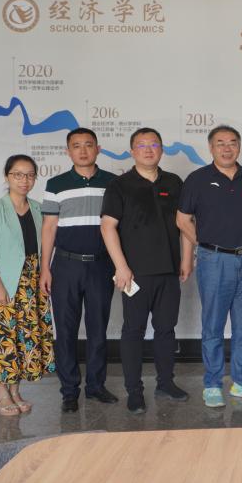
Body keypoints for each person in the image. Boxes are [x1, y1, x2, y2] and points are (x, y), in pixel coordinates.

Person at [100, 128, 193, 414]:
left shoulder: (174, 182)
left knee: (166, 330)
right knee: (133, 331)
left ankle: (166, 383)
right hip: (135, 274)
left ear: (162, 149)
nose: (149, 149)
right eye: (142, 145)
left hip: (169, 271)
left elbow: (185, 223)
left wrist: (187, 259)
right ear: (132, 151)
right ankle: (134, 391)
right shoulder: (119, 185)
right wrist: (121, 267)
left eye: (154, 144)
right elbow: (107, 227)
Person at [177, 125, 242, 408]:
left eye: (232, 143)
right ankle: (213, 384)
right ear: (211, 148)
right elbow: (182, 220)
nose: (227, 148)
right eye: (220, 143)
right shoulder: (198, 179)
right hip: (214, 261)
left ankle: (241, 381)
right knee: (213, 325)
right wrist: (204, 243)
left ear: (239, 146)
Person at [40, 128, 118, 413]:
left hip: (101, 264)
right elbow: (49, 227)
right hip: (65, 265)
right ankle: (69, 390)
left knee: (98, 329)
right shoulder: (56, 183)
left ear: (98, 148)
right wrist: (45, 268)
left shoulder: (113, 182)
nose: (83, 151)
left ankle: (96, 386)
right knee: (66, 329)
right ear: (68, 151)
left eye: (88, 145)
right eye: (76, 146)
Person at [0, 155, 56, 416]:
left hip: (32, 281)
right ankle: (2, 396)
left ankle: (16, 391)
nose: (24, 180)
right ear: (7, 176)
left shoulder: (39, 209)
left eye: (30, 175)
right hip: (4, 282)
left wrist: (44, 273)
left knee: (24, 339)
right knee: (3, 340)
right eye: (18, 174)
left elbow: (44, 246)